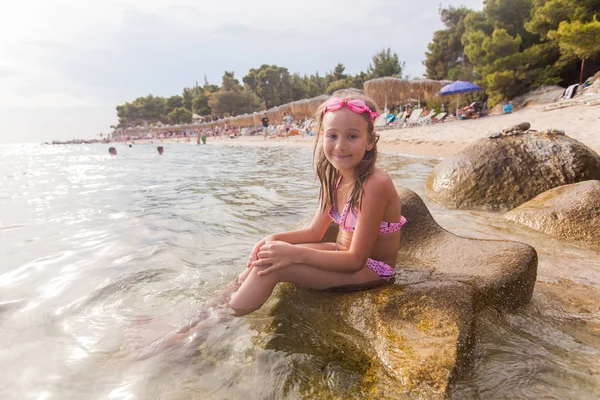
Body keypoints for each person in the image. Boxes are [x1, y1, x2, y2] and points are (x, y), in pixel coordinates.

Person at [228, 91, 406, 316]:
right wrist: (271, 239)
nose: (340, 146)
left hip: (372, 269)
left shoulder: (375, 184)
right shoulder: (336, 177)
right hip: (339, 252)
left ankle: (220, 322)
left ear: (370, 141)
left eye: (352, 137)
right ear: (322, 137)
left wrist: (294, 255)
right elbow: (314, 232)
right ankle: (209, 311)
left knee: (271, 269)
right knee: (266, 257)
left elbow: (355, 260)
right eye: (332, 136)